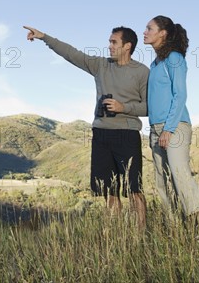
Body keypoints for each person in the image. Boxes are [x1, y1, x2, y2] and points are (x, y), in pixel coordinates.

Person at [24, 25, 148, 229]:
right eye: (109, 41)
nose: (109, 46)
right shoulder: (101, 65)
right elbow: (72, 53)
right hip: (101, 135)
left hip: (128, 135)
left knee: (134, 188)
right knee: (109, 190)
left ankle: (141, 234)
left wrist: (122, 107)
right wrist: (44, 37)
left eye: (113, 42)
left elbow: (149, 107)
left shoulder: (142, 72)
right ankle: (114, 237)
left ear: (127, 46)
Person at [143, 15, 199, 233]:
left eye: (149, 28)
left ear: (163, 33)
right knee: (162, 182)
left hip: (175, 126)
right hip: (155, 129)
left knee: (180, 176)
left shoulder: (174, 58)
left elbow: (180, 95)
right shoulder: (155, 64)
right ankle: (174, 232)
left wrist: (169, 129)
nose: (145, 31)